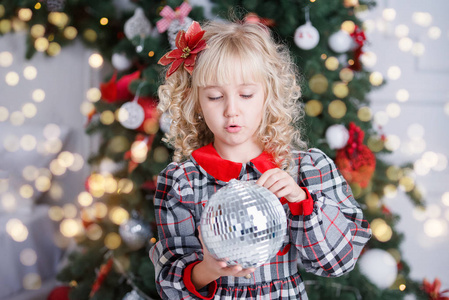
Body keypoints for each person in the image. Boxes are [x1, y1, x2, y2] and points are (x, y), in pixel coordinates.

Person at [150, 19, 371, 300]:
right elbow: (169, 286)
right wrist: (207, 269)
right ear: (195, 101)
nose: (232, 110)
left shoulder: (308, 170)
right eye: (215, 96)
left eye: (246, 94)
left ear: (268, 94)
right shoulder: (182, 182)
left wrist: (302, 201)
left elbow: (340, 261)